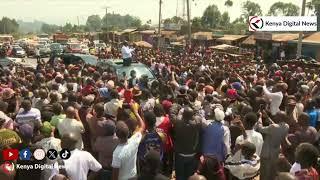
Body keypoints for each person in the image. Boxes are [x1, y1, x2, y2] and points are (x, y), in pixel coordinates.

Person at [111, 103, 145, 180]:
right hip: (133, 176)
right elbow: (142, 125)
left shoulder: (117, 153)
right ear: (129, 132)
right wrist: (135, 112)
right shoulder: (134, 140)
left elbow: (114, 176)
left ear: (116, 135)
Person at [257, 111, 289, 180]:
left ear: (280, 118)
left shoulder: (273, 127)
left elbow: (260, 128)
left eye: (277, 116)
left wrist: (259, 118)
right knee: (272, 172)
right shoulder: (286, 126)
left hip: (266, 154)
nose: (275, 116)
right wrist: (268, 117)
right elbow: (276, 126)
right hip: (275, 153)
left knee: (264, 173)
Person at [173, 107, 202, 180]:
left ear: (183, 116)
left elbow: (174, 116)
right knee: (189, 176)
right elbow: (198, 118)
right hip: (191, 154)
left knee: (180, 176)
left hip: (180, 154)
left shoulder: (178, 123)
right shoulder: (196, 124)